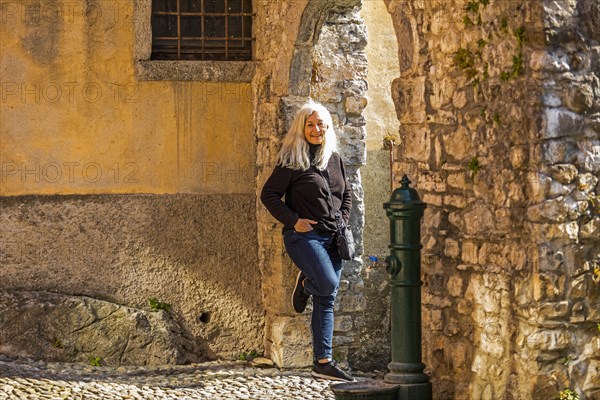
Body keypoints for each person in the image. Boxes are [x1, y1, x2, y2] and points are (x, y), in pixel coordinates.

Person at [260, 101, 354, 382]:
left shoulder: (334, 158)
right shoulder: (293, 160)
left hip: (333, 238)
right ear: (302, 127)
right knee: (326, 283)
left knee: (327, 298)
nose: (316, 129)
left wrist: (342, 220)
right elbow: (269, 195)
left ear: (327, 128)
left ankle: (323, 362)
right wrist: (293, 221)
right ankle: (305, 282)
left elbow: (346, 195)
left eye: (320, 124)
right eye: (310, 124)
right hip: (304, 237)